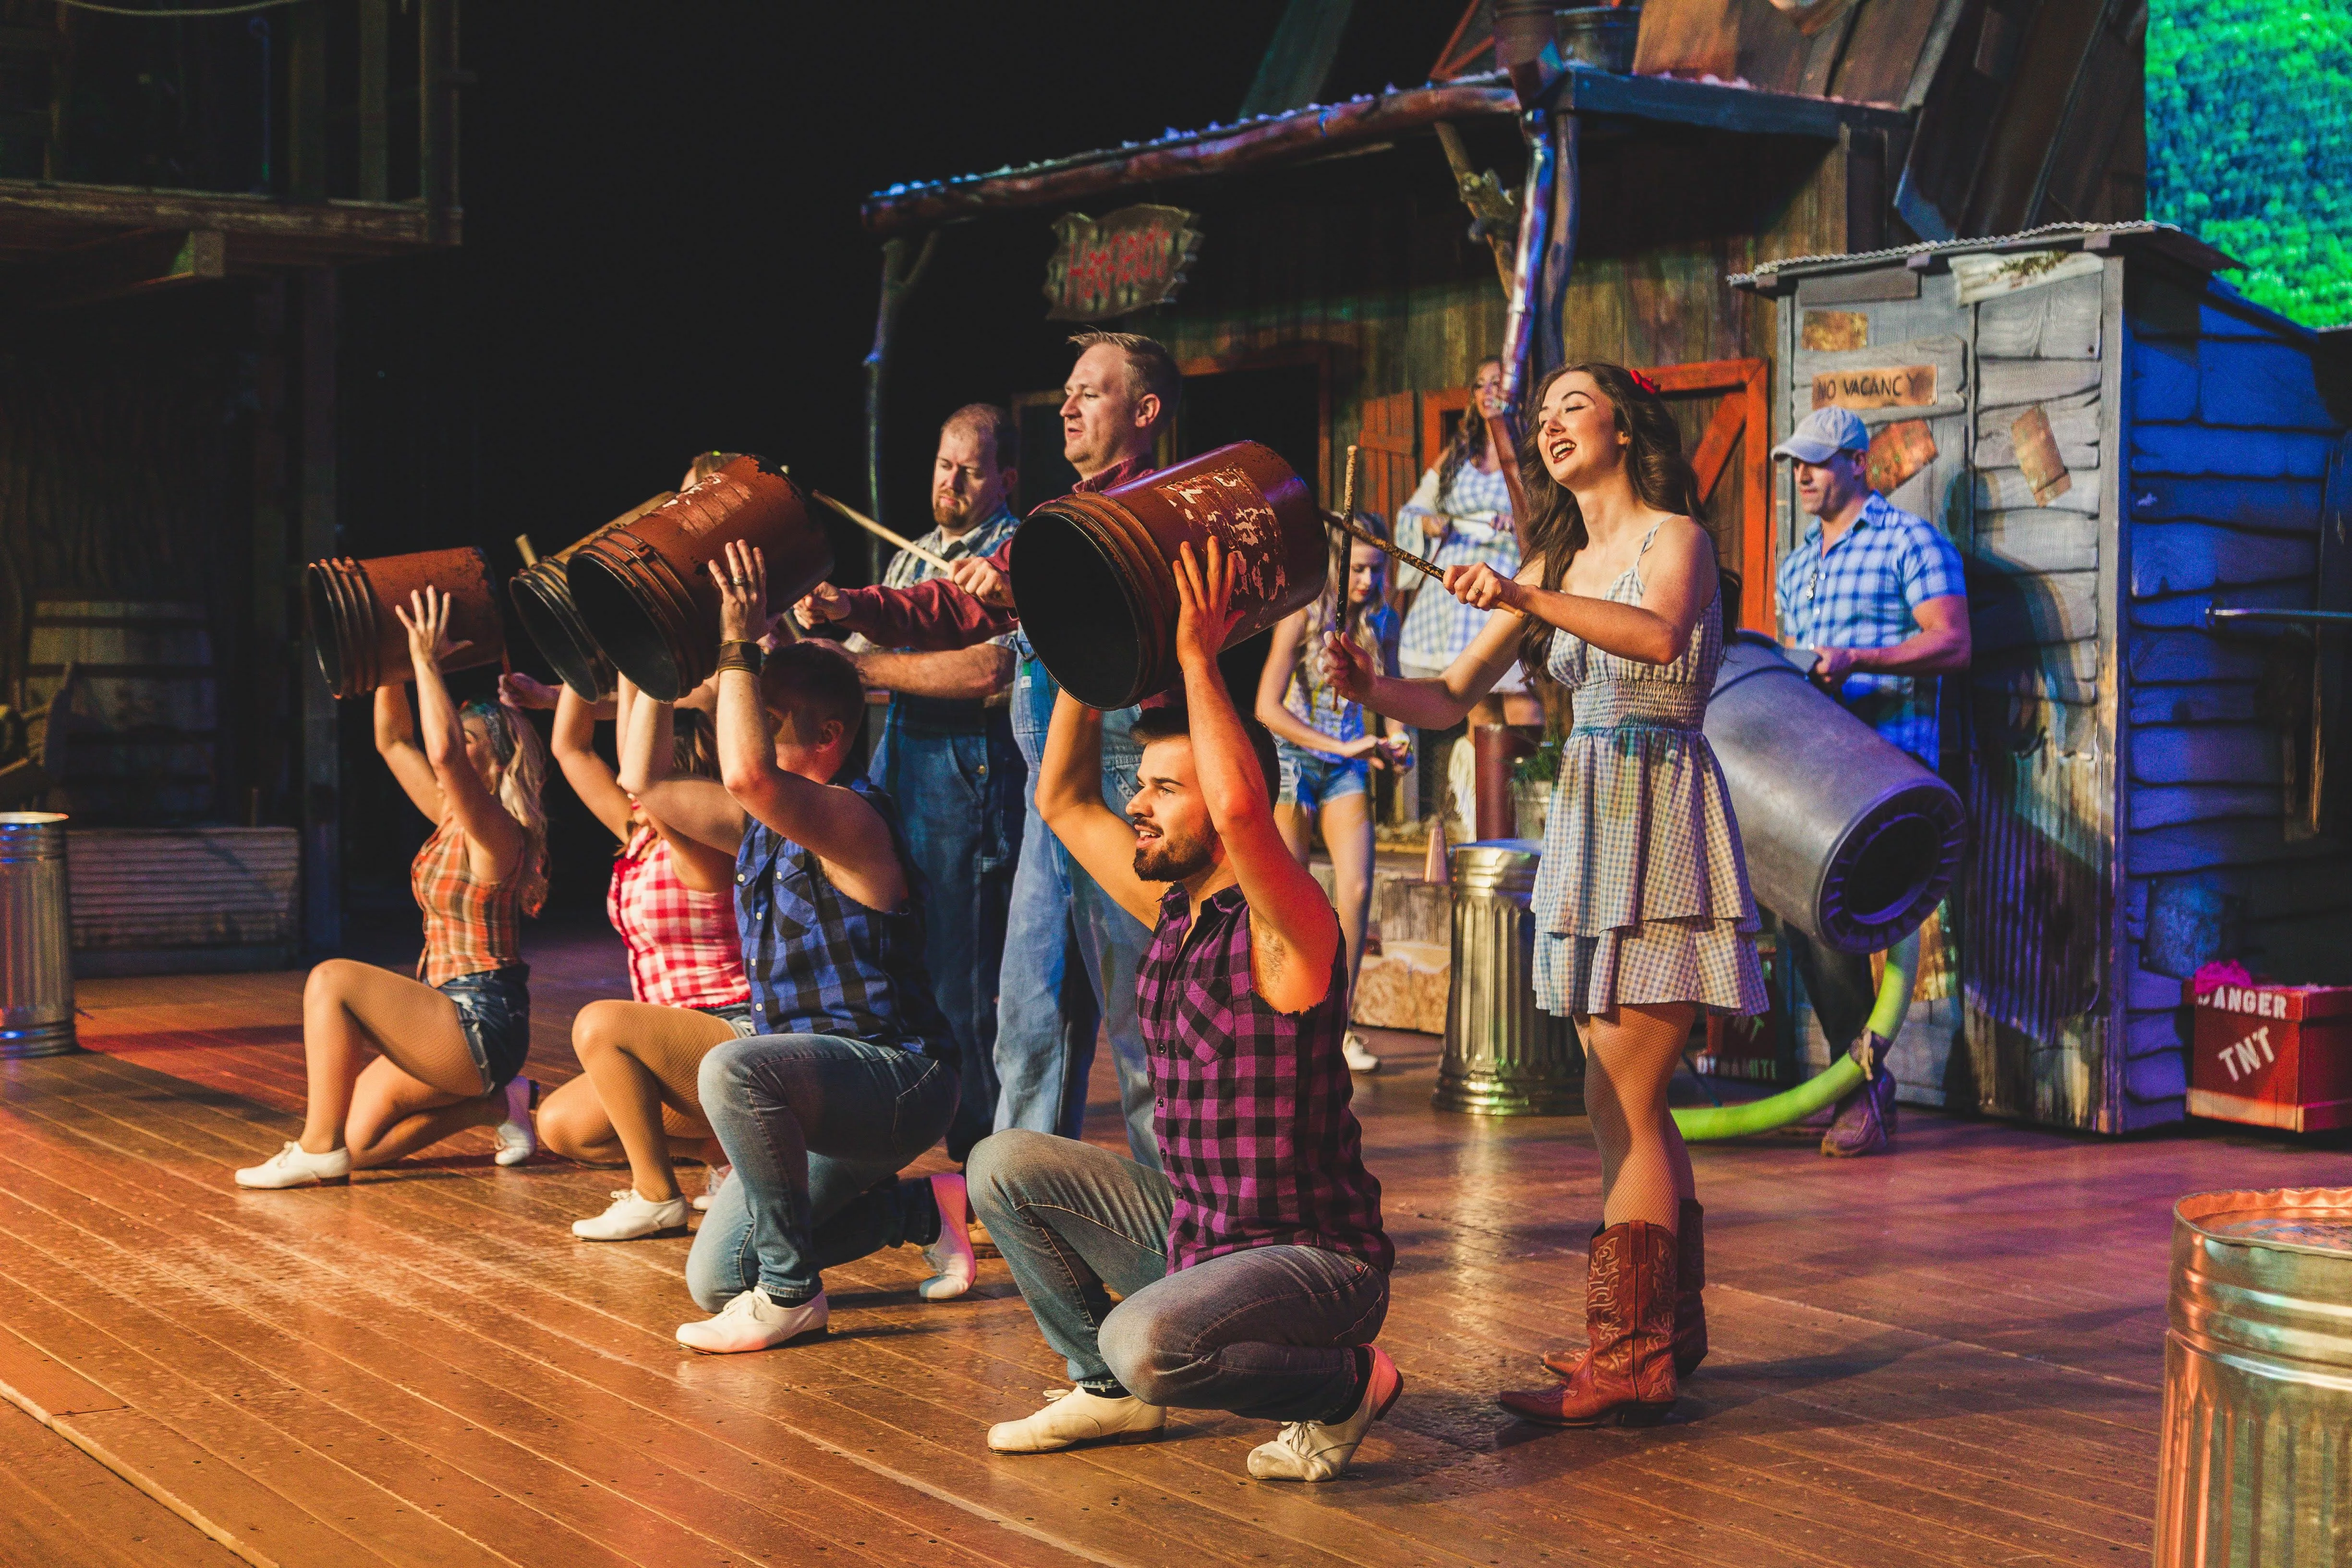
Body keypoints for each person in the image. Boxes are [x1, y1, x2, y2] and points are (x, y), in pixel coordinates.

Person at [1329, 363, 1766, 1428]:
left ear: (1624, 423)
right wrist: (1365, 686)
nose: (1552, 423)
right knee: (1611, 1100)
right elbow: (1447, 695)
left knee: (1627, 1099)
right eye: (1542, 415)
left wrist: (1523, 593)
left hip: (1657, 807)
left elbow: (1659, 638)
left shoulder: (1676, 539)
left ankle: (1632, 1352)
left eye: (1573, 403)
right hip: (1590, 815)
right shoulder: (1558, 556)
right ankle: (1658, 1334)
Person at [969, 538, 1399, 1484]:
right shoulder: (1173, 911)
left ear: (1219, 799)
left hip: (1314, 1265)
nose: (1137, 803)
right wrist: (1083, 649)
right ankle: (1106, 1397)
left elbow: (1247, 813)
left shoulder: (1289, 929)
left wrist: (1200, 656)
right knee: (1001, 1165)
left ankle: (1346, 1383)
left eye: (1165, 788)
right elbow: (1061, 794)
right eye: (1144, 784)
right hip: (1200, 1234)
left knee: (1146, 1342)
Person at [799, 331, 1176, 1165]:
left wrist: (1026, 593)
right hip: (1053, 795)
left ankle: (1175, 1211)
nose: (1069, 405)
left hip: (1125, 785)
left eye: (1093, 391)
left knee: (1136, 1019)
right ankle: (1028, 1198)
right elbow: (951, 607)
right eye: (1068, 390)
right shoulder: (1053, 518)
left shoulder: (1157, 509)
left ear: (1144, 413)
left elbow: (1131, 638)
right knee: (1029, 1012)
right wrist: (850, 607)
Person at [631, 541, 974, 1352]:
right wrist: (651, 653)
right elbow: (646, 787)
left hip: (895, 1082)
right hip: (814, 1094)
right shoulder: (756, 827)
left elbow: (748, 775)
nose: (735, 728)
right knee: (716, 1279)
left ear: (826, 734)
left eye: (762, 715)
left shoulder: (855, 818)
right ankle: (922, 1209)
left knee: (732, 1065)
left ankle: (790, 1294)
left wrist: (741, 643)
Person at [236, 586, 549, 1189]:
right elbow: (392, 739)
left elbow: (441, 753)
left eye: (470, 740)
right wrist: (395, 654)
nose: (454, 748)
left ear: (497, 760)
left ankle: (315, 1147)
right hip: (448, 1018)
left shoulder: (498, 834)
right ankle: (495, 1103)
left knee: (332, 979)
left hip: (480, 1023)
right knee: (367, 1145)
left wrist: (429, 661)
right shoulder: (448, 817)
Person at [1770, 405, 1970, 1158]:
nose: (1802, 475)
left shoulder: (1908, 541)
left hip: (1889, 779)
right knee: (1803, 912)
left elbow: (1951, 643)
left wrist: (1860, 659)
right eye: (1795, 463)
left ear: (1858, 462)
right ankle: (1856, 1085)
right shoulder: (1797, 566)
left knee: (1837, 917)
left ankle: (1858, 1088)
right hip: (1819, 774)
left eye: (1817, 461)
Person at [833, 406, 1025, 1162]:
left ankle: (976, 1143)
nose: (950, 480)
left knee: (958, 972)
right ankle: (915, 1113)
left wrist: (863, 661)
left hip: (967, 768)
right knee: (893, 951)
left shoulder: (1011, 552)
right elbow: (863, 651)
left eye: (970, 469)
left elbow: (987, 671)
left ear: (1005, 478)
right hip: (901, 756)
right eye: (944, 465)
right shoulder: (911, 557)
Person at [506, 676, 752, 1240]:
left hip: (726, 1032)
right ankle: (727, 1157)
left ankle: (657, 1195)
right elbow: (571, 747)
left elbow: (636, 770)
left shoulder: (711, 844)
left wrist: (645, 666)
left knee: (601, 1021)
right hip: (662, 1044)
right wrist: (590, 657)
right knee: (563, 1126)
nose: (631, 790)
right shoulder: (638, 833)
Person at [1253, 516, 1412, 1074]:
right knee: (1289, 898)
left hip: (1346, 763)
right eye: (1360, 570)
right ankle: (1282, 1022)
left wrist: (1398, 743)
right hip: (1297, 760)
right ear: (1338, 566)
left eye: (1379, 570)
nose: (1369, 582)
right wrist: (1338, 749)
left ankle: (1335, 1031)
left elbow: (1387, 695)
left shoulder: (1381, 621)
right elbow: (1266, 707)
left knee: (1357, 887)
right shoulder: (1302, 613)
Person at [1395, 358, 1543, 828]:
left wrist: (1516, 523)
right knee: (1476, 699)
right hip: (1461, 583)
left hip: (1505, 574)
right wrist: (1425, 521)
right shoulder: (1456, 455)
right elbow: (1414, 507)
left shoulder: (1528, 450)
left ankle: (1533, 800)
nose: (1486, 392)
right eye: (1479, 384)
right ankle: (1488, 813)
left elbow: (1542, 511)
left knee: (1520, 692)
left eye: (1496, 384)